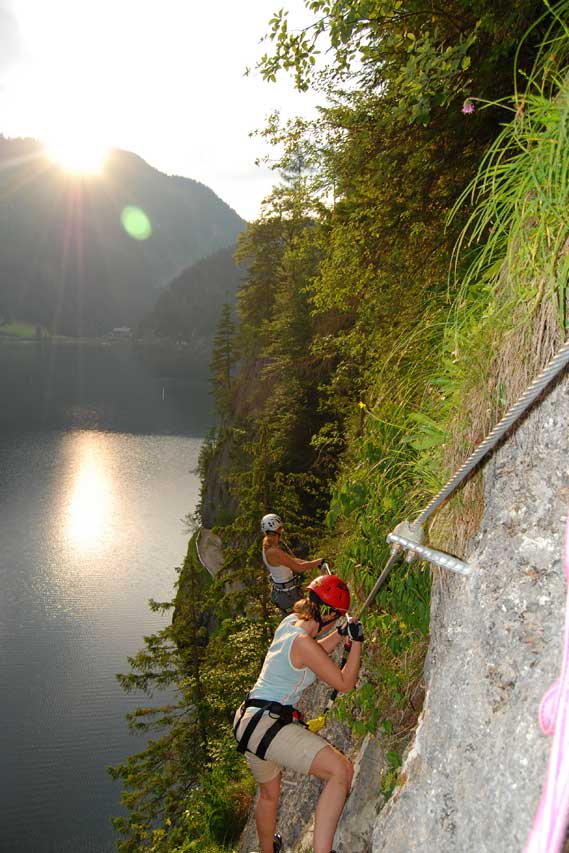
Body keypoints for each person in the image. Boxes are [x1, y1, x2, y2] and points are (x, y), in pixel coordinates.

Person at [233, 574, 364, 853]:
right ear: (329, 614)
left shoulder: (289, 625)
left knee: (269, 794)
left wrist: (339, 635)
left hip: (247, 721)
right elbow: (345, 683)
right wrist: (358, 643)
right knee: (340, 771)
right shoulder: (303, 644)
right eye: (337, 617)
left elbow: (312, 652)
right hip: (266, 727)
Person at [261, 513, 325, 614]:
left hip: (285, 592)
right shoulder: (273, 552)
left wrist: (313, 563)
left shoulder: (268, 546)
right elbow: (298, 567)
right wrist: (318, 562)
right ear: (277, 530)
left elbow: (292, 560)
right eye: (280, 528)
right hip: (288, 594)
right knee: (303, 618)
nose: (282, 531)